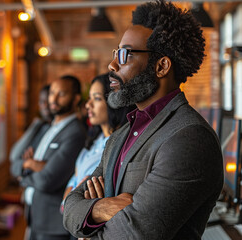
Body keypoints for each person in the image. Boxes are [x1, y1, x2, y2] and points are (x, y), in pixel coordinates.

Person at [63, 1, 223, 239]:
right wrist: (100, 207)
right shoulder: (121, 134)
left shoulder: (189, 138)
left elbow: (135, 234)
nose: (112, 64)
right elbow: (69, 207)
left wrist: (88, 231)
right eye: (116, 53)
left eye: (124, 54)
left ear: (161, 66)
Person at [20, 75, 87, 240]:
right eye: (52, 93)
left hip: (53, 224)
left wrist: (26, 171)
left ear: (76, 98)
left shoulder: (75, 133)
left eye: (61, 94)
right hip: (35, 216)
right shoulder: (50, 127)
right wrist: (32, 165)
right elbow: (16, 161)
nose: (53, 99)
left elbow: (47, 180)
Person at [62, 73, 133, 205]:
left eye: (97, 98)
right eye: (89, 98)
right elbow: (73, 183)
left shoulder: (121, 144)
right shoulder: (95, 139)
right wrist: (70, 200)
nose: (88, 105)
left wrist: (72, 200)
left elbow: (86, 194)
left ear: (115, 102)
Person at [10, 85, 53, 179]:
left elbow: (49, 170)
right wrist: (35, 124)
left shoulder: (57, 131)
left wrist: (28, 164)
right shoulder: (40, 127)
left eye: (48, 101)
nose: (45, 105)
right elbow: (14, 157)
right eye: (42, 102)